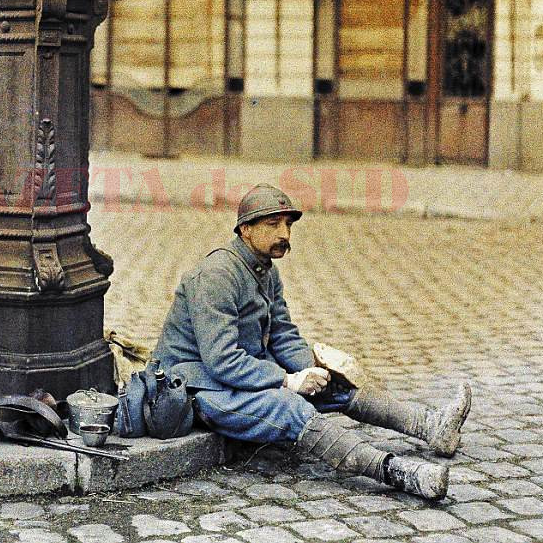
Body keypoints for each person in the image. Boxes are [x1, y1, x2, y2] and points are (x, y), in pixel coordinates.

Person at [151, 183, 471, 500]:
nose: (284, 234)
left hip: (236, 378)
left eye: (288, 225)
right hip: (194, 389)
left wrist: (316, 371)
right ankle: (399, 473)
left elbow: (283, 335)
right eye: (273, 224)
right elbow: (222, 361)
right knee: (290, 408)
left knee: (334, 388)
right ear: (245, 229)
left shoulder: (265, 271)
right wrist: (288, 381)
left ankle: (431, 427)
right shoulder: (217, 275)